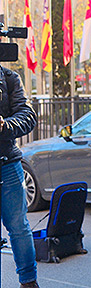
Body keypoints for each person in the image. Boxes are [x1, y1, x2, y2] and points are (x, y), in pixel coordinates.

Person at [0, 66, 39, 288]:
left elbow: (27, 116)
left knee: (18, 226)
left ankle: (29, 281)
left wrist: (5, 125)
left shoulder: (9, 77)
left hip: (7, 161)